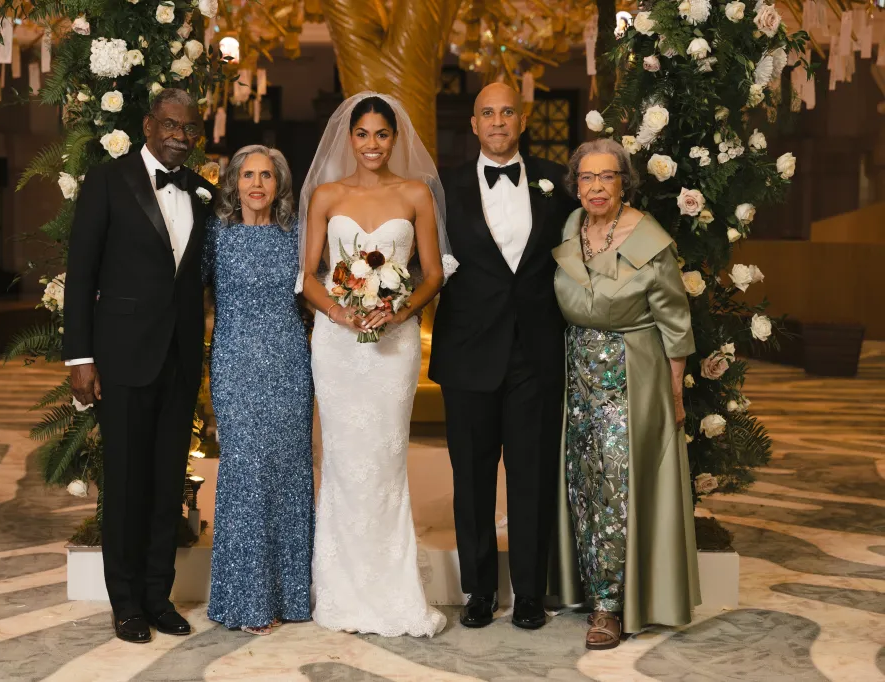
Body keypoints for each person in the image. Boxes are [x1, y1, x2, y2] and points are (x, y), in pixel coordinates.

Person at [297, 93, 453, 637]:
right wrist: (341, 312)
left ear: (395, 139)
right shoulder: (324, 194)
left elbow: (432, 273)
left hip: (394, 345)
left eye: (381, 135)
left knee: (385, 462)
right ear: (348, 138)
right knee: (341, 459)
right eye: (361, 134)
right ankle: (339, 590)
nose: (371, 144)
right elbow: (309, 275)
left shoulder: (415, 194)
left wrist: (397, 310)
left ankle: (393, 591)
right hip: (337, 347)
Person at [63, 88, 215, 644]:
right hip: (121, 360)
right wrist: (80, 357)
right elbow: (81, 273)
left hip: (177, 362)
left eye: (190, 127)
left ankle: (158, 596)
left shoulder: (203, 192)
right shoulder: (108, 180)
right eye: (171, 124)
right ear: (149, 125)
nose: (180, 135)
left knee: (165, 485)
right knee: (125, 486)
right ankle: (124, 602)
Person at [429, 83, 578, 630]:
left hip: (535, 354)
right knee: (470, 481)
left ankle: (532, 594)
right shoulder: (442, 189)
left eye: (507, 112)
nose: (497, 121)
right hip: (468, 353)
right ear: (473, 125)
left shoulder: (557, 182)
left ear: (522, 119)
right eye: (487, 113)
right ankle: (479, 593)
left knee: (532, 478)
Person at [552, 138, 700, 649]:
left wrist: (675, 394)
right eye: (587, 178)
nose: (596, 187)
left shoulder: (649, 240)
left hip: (633, 374)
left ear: (624, 182)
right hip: (577, 375)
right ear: (576, 185)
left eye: (607, 177)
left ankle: (612, 609)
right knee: (583, 484)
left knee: (618, 487)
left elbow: (676, 324)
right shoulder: (573, 228)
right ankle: (591, 587)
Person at [203, 145, 314, 636]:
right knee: (245, 472)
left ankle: (291, 597)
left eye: (266, 175)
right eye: (247, 175)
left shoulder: (296, 238)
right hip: (233, 363)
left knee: (289, 472)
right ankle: (245, 601)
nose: (256, 184)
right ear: (233, 183)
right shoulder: (216, 237)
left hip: (289, 363)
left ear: (279, 184)